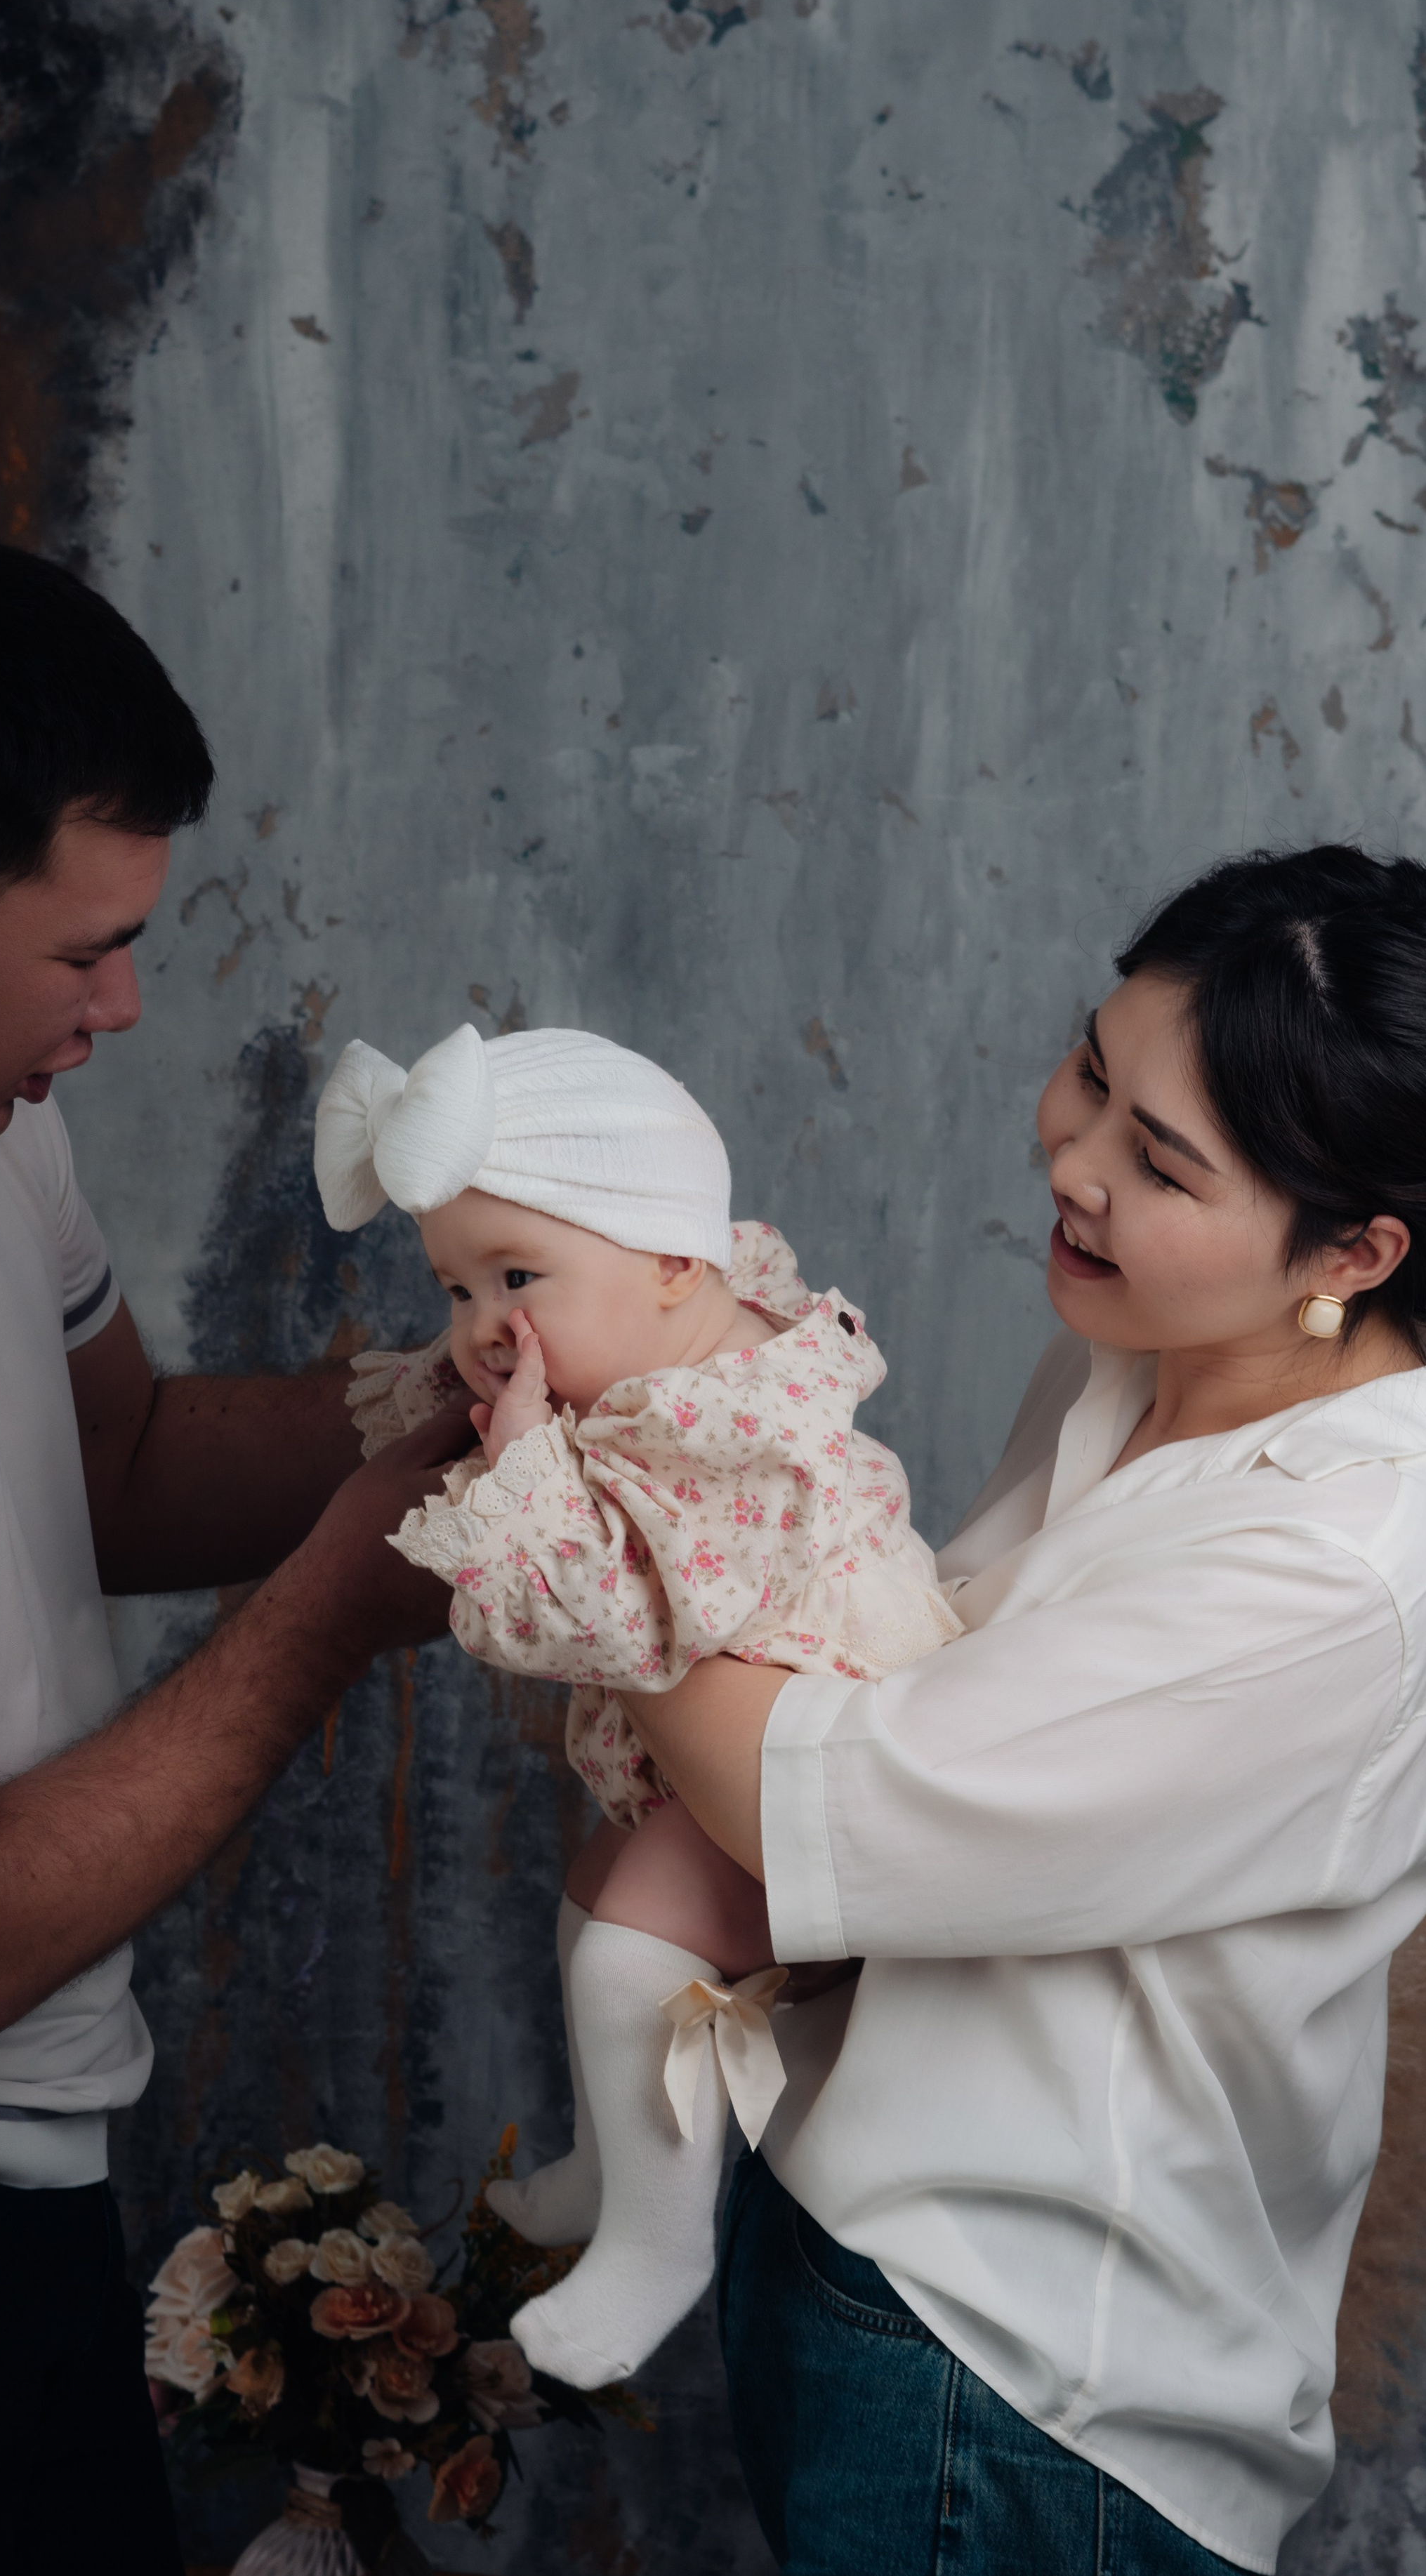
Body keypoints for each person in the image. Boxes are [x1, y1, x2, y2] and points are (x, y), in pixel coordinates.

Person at [614, 845, 1426, 2576]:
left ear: (1351, 1252)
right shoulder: (1139, 1359)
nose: (1070, 1160)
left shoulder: (1327, 1570)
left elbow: (814, 1794)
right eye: (1092, 1070)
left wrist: (575, 1511)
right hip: (864, 2250)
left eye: (1161, 1163)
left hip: (1021, 2391)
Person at [0, 536, 470, 2576]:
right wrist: (335, 1609)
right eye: (83, 955)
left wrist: (468, 1396)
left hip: (16, 2188)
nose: (125, 1009)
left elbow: (113, 1465)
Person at [310, 1019, 960, 2392]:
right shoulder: (665, 1342)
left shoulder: (719, 1429)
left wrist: (531, 1470)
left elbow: (616, 1631)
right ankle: (615, 2161)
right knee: (593, 1891)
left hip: (821, 1758)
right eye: (456, 1287)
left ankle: (661, 2243)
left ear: (674, 1262)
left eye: (518, 1275)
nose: (487, 1327)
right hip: (735, 1734)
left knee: (625, 1961)